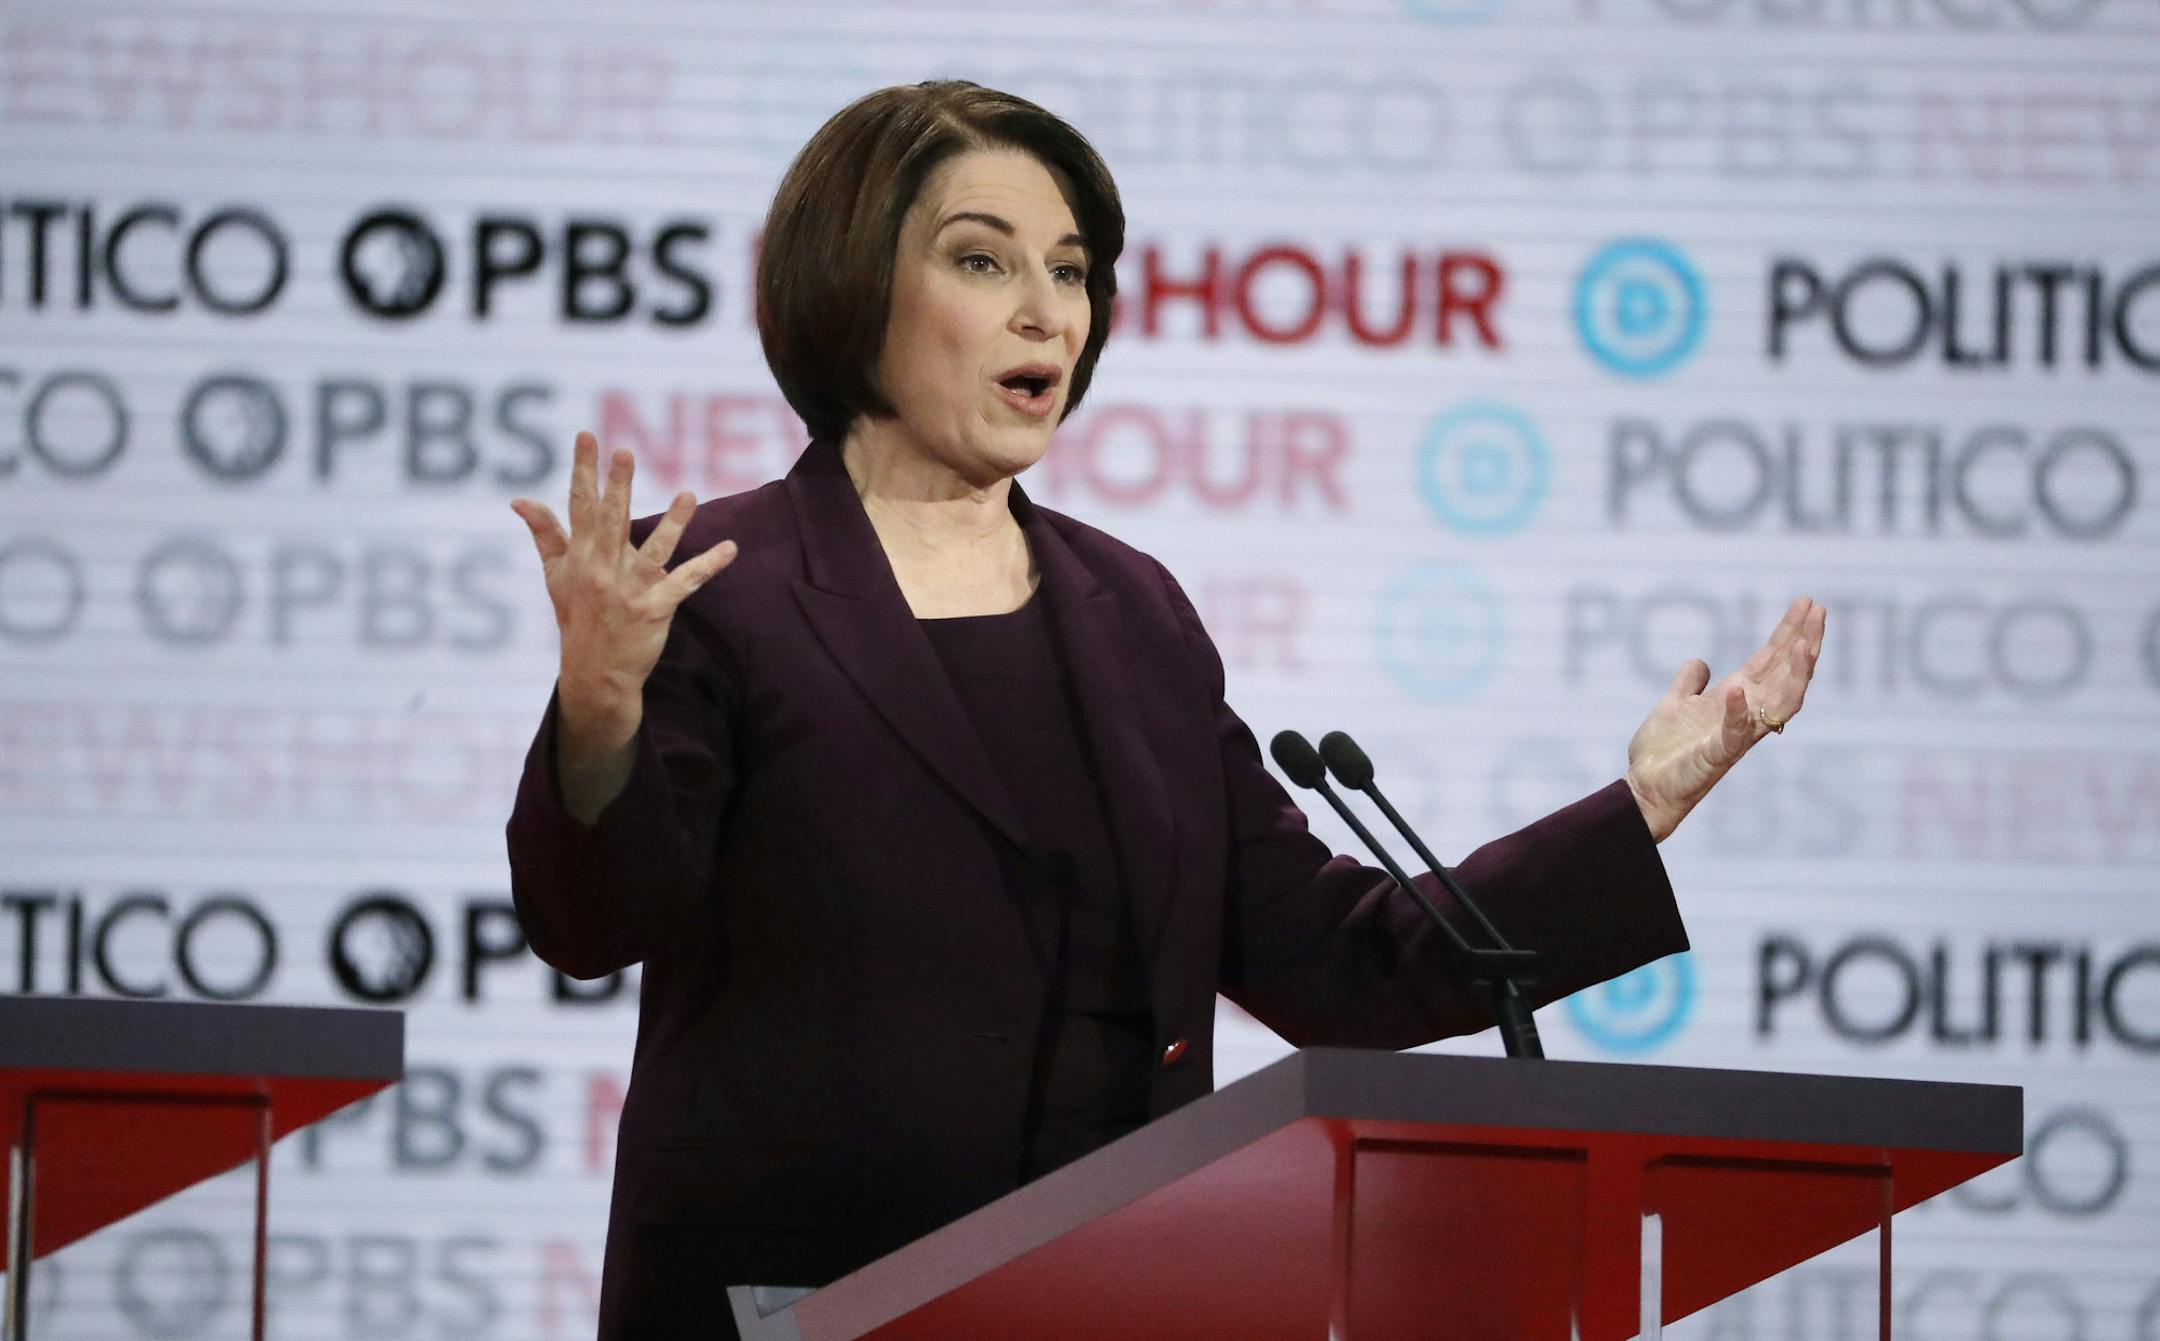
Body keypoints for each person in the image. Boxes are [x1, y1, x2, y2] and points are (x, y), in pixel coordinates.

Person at [505, 80, 1825, 1339]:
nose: (1046, 312)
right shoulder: (720, 589)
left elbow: (1334, 959)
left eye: (1070, 271)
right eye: (983, 261)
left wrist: (1644, 801)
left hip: (1107, 1303)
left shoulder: (1132, 613)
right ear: (854, 287)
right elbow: (592, 921)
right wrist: (599, 714)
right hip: (790, 1310)